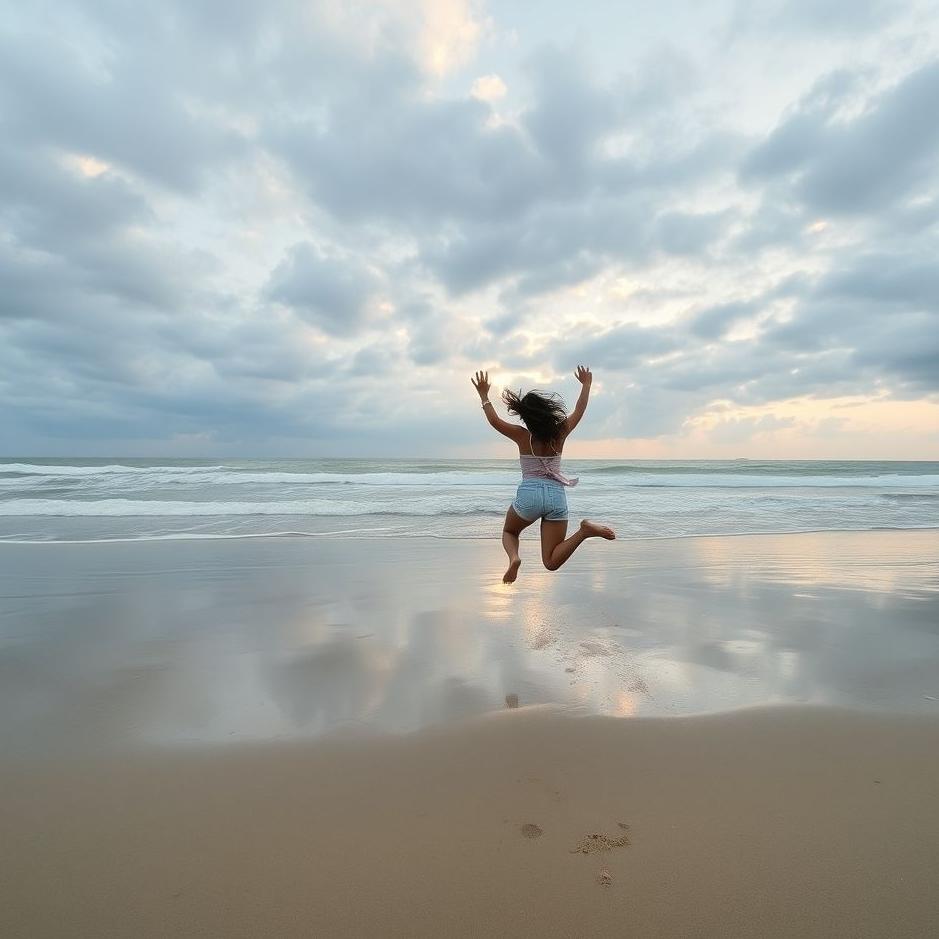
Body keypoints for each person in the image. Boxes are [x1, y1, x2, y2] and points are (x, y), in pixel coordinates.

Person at [471, 366, 615, 584]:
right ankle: (584, 532)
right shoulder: (560, 432)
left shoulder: (522, 436)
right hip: (556, 495)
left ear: (525, 416)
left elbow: (494, 421)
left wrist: (484, 395)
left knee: (510, 532)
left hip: (530, 495)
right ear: (547, 411)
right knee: (550, 561)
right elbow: (580, 409)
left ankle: (514, 558)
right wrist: (586, 385)